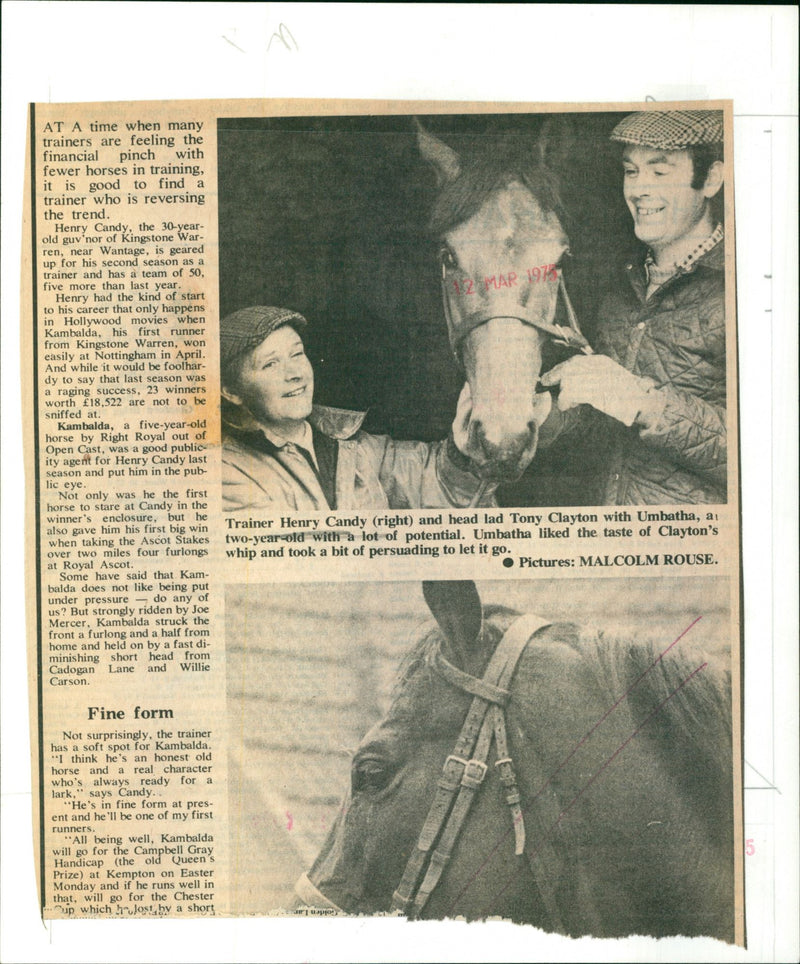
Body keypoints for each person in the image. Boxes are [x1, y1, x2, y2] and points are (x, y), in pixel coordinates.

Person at [539, 109, 727, 504]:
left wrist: (643, 403)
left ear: (710, 179)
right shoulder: (622, 287)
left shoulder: (750, 287)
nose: (639, 189)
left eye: (659, 172)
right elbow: (608, 426)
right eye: (631, 171)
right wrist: (546, 420)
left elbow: (770, 455)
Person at [220, 305, 494, 512]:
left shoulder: (356, 446)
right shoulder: (226, 469)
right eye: (270, 364)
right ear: (231, 392)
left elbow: (436, 481)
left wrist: (466, 448)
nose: (294, 374)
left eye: (297, 354)